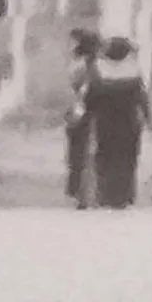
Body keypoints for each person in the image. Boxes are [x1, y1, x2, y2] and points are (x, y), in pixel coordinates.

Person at [83, 37, 152, 209]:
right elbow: (142, 99)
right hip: (129, 122)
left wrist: (88, 114)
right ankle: (125, 194)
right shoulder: (134, 72)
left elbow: (90, 99)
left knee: (105, 157)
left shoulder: (98, 71)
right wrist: (147, 117)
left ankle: (106, 194)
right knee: (127, 159)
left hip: (105, 122)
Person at [64, 30, 97, 206]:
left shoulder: (83, 66)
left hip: (82, 113)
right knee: (83, 154)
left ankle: (82, 192)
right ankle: (82, 191)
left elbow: (79, 90)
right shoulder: (92, 65)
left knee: (81, 154)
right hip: (84, 112)